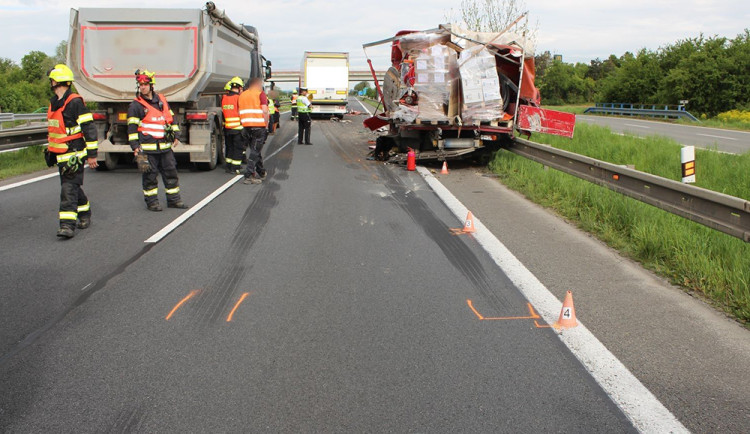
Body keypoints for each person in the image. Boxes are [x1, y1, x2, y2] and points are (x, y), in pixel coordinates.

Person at [44, 64, 99, 238]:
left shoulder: (75, 102)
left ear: (56, 81)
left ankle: (67, 225)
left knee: (67, 189)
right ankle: (84, 211)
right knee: (72, 186)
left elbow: (89, 129)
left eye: (52, 80)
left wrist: (92, 155)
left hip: (75, 154)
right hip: (60, 155)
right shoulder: (54, 103)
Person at [127, 69, 187, 211]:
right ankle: (152, 202)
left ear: (151, 85)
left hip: (165, 147)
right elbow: (132, 128)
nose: (142, 87)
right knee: (149, 176)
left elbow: (171, 119)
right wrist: (135, 146)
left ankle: (174, 200)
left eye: (145, 84)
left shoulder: (161, 100)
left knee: (171, 173)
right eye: (140, 84)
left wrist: (176, 135)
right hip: (147, 149)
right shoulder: (135, 105)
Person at [238, 77, 268, 184]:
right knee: (255, 151)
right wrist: (266, 125)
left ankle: (261, 172)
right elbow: (264, 110)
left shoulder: (242, 95)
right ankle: (249, 175)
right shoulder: (260, 93)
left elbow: (239, 110)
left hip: (246, 127)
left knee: (255, 150)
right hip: (258, 126)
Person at [221, 76, 245, 174]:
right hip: (238, 128)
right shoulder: (239, 98)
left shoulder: (224, 98)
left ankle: (228, 167)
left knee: (229, 148)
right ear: (239, 88)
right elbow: (241, 112)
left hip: (227, 128)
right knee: (238, 148)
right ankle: (236, 168)